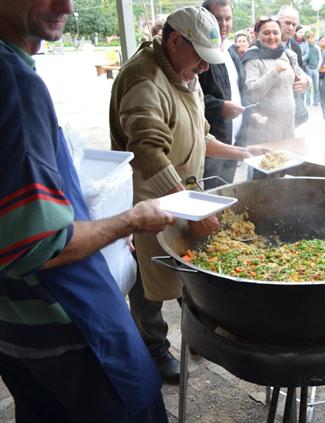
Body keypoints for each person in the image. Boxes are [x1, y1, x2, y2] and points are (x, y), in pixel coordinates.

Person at [0, 1, 175, 421]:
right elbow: (41, 246)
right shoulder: (15, 82)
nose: (68, 6)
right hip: (65, 321)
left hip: (11, 326)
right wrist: (129, 220)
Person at [110, 6, 266, 384]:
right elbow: (148, 153)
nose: (204, 68)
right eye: (199, 57)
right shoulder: (145, 80)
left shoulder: (183, 74)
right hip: (150, 198)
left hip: (182, 194)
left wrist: (242, 153)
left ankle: (198, 335)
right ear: (175, 40)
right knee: (152, 280)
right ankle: (154, 349)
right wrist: (191, 208)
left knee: (190, 268)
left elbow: (201, 136)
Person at [199, 0, 249, 189]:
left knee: (226, 191)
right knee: (210, 195)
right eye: (217, 19)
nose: (224, 24)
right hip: (212, 143)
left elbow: (241, 89)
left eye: (227, 18)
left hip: (233, 141)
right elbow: (191, 98)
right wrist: (220, 107)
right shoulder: (200, 53)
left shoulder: (231, 51)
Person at [242, 17, 306, 143]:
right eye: (266, 33)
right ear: (256, 35)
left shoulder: (288, 54)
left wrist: (305, 82)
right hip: (263, 131)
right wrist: (274, 72)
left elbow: (302, 76)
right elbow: (251, 94)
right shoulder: (252, 59)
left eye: (275, 32)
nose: (272, 37)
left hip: (288, 127)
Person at [303, 31, 321, 106]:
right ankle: (307, 102)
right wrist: (306, 66)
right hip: (308, 69)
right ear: (307, 39)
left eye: (313, 38)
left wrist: (318, 67)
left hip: (315, 69)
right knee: (308, 87)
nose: (311, 40)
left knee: (316, 87)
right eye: (310, 38)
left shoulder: (317, 47)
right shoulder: (306, 47)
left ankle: (316, 102)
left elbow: (320, 58)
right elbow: (303, 57)